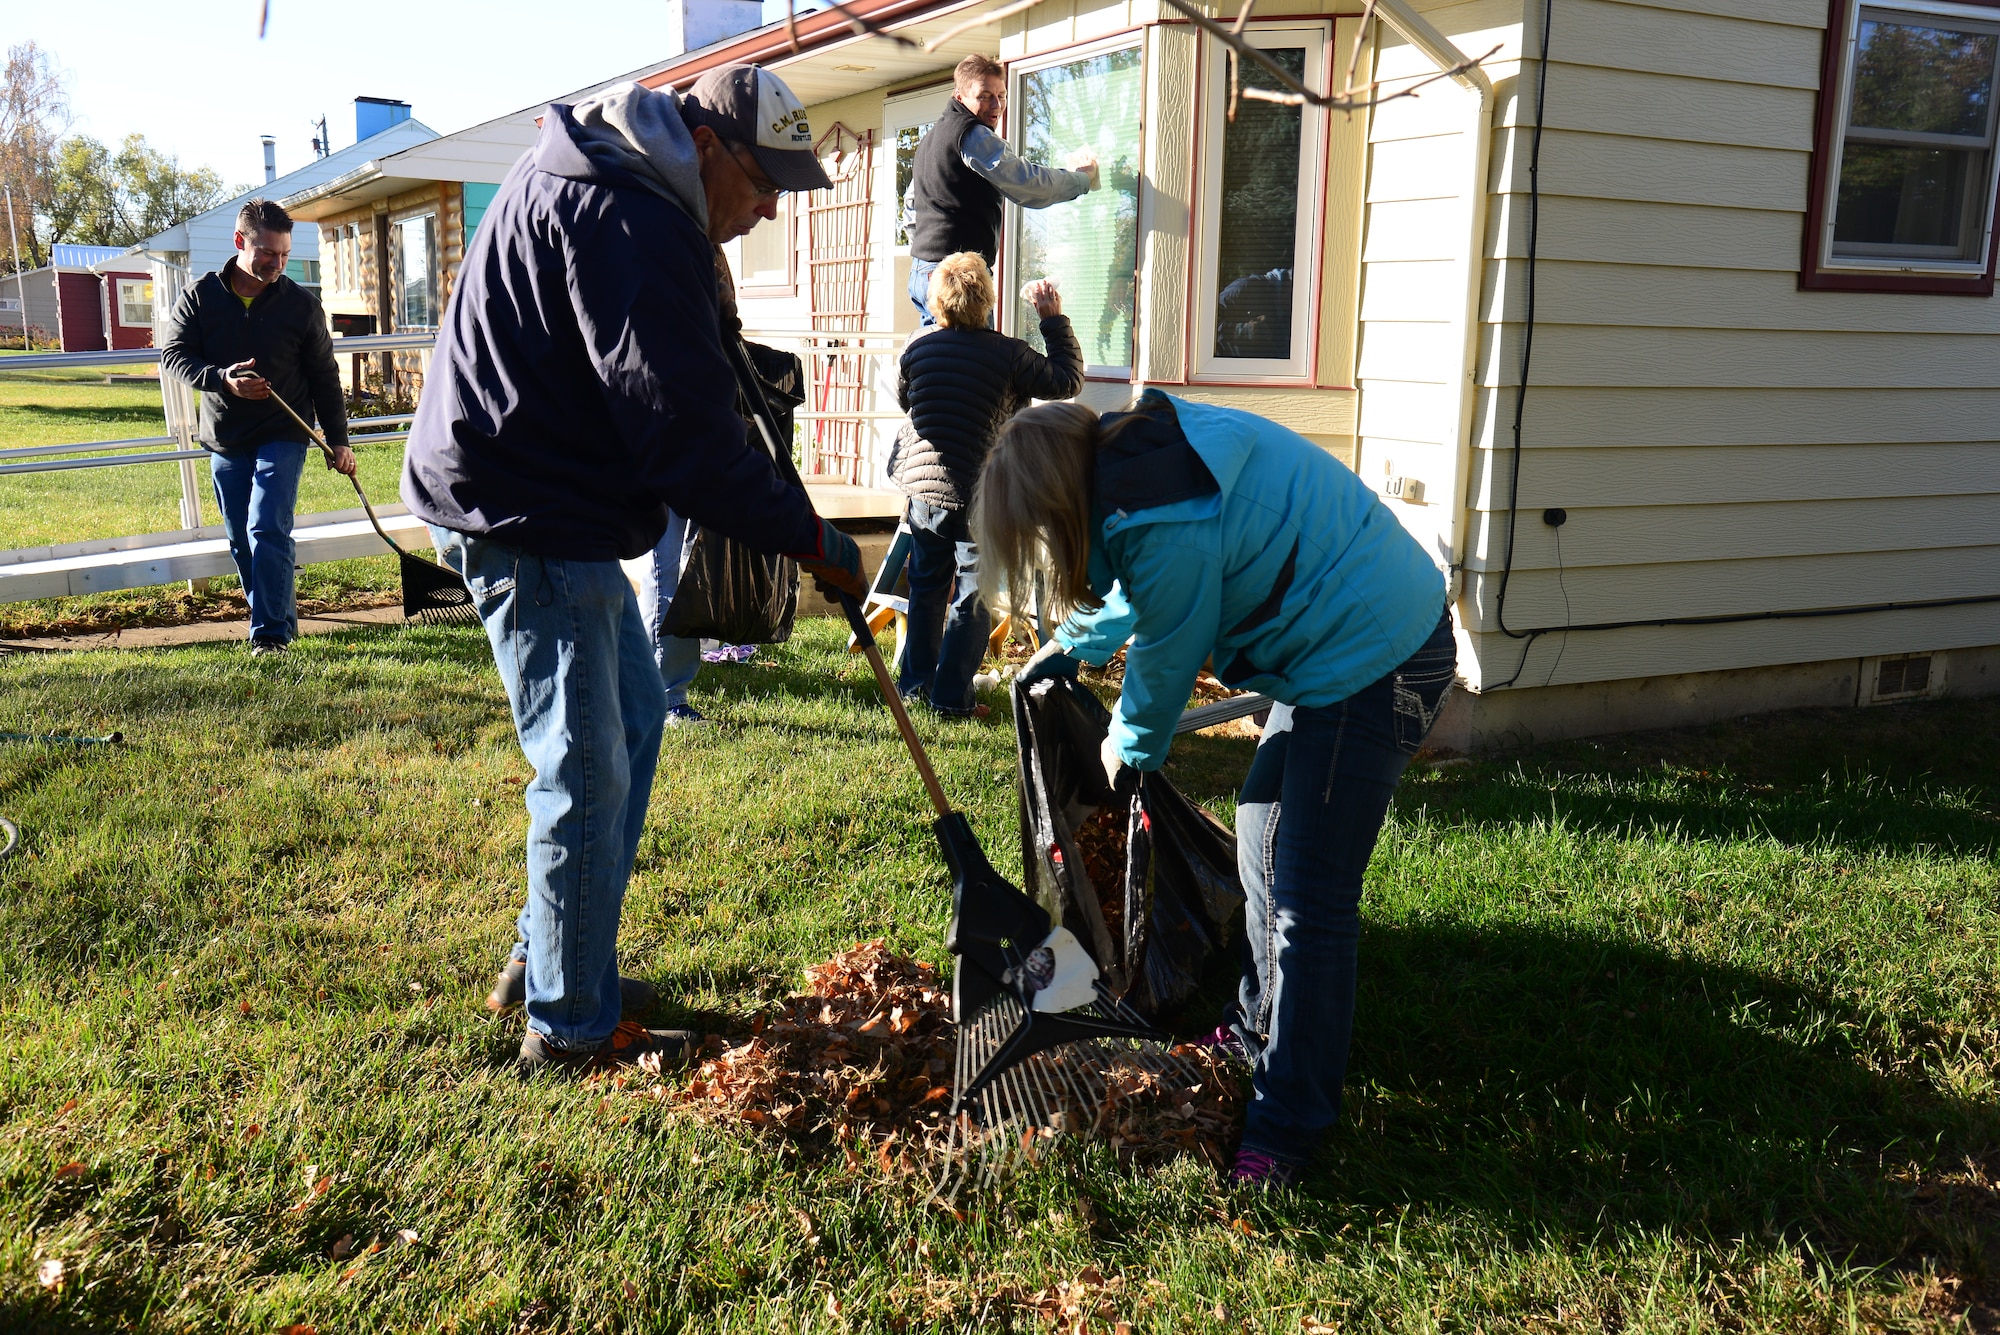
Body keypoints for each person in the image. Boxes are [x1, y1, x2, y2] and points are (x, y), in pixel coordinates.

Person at [402, 67, 867, 1075]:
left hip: (547, 498)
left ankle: (552, 965)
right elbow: (685, 445)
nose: (771, 206)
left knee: (634, 723)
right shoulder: (631, 216)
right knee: (584, 766)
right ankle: (567, 1029)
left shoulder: (622, 186)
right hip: (519, 508)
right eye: (763, 181)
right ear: (705, 150)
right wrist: (814, 540)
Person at [974, 390, 1457, 1187]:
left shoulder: (1158, 517)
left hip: (1377, 658)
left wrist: (1126, 749)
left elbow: (1169, 644)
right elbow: (1142, 583)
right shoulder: (1140, 471)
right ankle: (1257, 1027)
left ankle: (1287, 1126)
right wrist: (1069, 646)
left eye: (1039, 539)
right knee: (1262, 840)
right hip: (1336, 650)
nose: (1045, 556)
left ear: (1062, 512)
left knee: (1308, 895)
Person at [160, 198, 357, 654]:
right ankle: (277, 619)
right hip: (226, 438)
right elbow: (174, 356)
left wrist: (338, 440)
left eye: (285, 254)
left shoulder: (301, 306)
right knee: (240, 540)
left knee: (267, 527)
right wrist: (222, 379)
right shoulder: (200, 297)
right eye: (268, 253)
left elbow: (325, 377)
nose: (277, 263)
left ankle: (269, 637)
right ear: (239, 242)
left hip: (283, 434)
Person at [890, 253, 1082, 715]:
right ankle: (952, 699)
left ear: (938, 300)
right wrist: (1052, 321)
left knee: (927, 586)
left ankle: (915, 685)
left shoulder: (918, 347)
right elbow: (1067, 380)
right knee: (973, 596)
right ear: (987, 300)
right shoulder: (1009, 353)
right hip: (980, 493)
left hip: (923, 489)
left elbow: (906, 399)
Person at [905, 54, 1100, 327]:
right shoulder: (971, 134)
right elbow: (1025, 183)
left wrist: (930, 257)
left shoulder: (931, 139)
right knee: (974, 363)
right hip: (958, 280)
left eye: (1002, 95)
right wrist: (1082, 180)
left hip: (925, 271)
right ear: (959, 97)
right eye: (984, 96)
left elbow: (911, 208)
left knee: (936, 361)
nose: (996, 105)